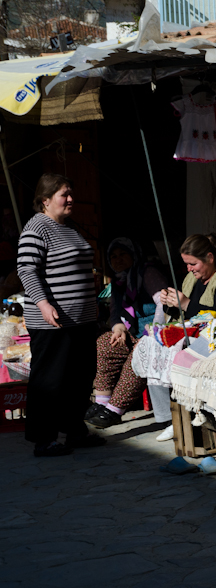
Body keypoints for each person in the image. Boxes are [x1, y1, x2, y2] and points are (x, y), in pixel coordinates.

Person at [17, 174, 102, 457]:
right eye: (64, 194)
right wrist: (43, 303)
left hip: (82, 318)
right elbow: (27, 270)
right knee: (50, 379)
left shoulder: (67, 227)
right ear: (45, 200)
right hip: (53, 321)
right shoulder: (36, 227)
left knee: (79, 376)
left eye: (70, 193)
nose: (70, 199)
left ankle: (74, 430)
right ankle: (44, 438)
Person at [147, 234, 216, 440]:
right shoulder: (192, 279)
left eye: (193, 263)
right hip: (197, 332)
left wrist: (184, 303)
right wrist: (171, 303)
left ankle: (189, 417)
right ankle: (169, 418)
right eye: (186, 264)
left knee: (179, 352)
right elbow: (185, 314)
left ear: (210, 258)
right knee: (152, 345)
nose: (189, 269)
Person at [87, 238, 169, 429]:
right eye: (113, 256)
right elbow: (115, 313)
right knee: (106, 342)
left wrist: (153, 333)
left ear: (133, 254)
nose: (118, 260)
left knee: (139, 355)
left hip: (157, 332)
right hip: (133, 333)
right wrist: (118, 327)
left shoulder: (147, 272)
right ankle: (102, 402)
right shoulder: (118, 281)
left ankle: (115, 409)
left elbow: (163, 303)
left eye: (123, 254)